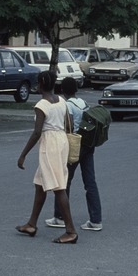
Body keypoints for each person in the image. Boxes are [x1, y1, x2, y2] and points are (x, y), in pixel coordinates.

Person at [16, 69, 78, 244]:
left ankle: (71, 231)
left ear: (41, 84)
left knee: (58, 187)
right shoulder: (62, 101)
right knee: (40, 184)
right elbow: (70, 124)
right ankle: (32, 224)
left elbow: (37, 133)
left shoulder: (42, 105)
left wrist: (23, 155)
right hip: (62, 141)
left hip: (49, 144)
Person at [46, 77, 103, 232]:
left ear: (63, 90)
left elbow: (68, 127)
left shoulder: (67, 105)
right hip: (88, 144)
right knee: (90, 181)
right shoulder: (83, 102)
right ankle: (96, 220)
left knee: (64, 181)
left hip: (74, 145)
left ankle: (60, 217)